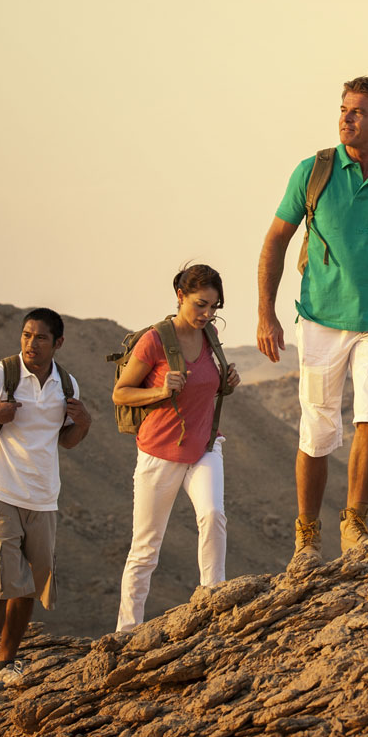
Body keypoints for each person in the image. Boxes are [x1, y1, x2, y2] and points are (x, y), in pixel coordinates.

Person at [256, 75, 368, 570]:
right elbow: (276, 240)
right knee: (317, 431)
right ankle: (307, 534)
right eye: (343, 110)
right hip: (318, 318)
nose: (345, 119)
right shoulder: (313, 171)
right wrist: (266, 312)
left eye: (357, 112)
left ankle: (354, 522)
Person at [0, 308, 91, 698]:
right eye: (26, 335)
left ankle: (7, 663)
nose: (30, 344)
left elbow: (66, 441)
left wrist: (84, 424)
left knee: (28, 588)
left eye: (40, 337)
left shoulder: (67, 385)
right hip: (0, 492)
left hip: (44, 498)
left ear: (57, 343)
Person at [112, 264, 241, 632]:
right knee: (146, 548)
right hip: (159, 454)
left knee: (213, 516)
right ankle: (126, 631)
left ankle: (214, 606)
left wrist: (228, 381)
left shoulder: (211, 335)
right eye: (201, 304)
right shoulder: (155, 340)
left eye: (213, 307)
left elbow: (205, 386)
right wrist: (159, 390)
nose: (207, 314)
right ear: (180, 296)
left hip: (204, 447)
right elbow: (120, 393)